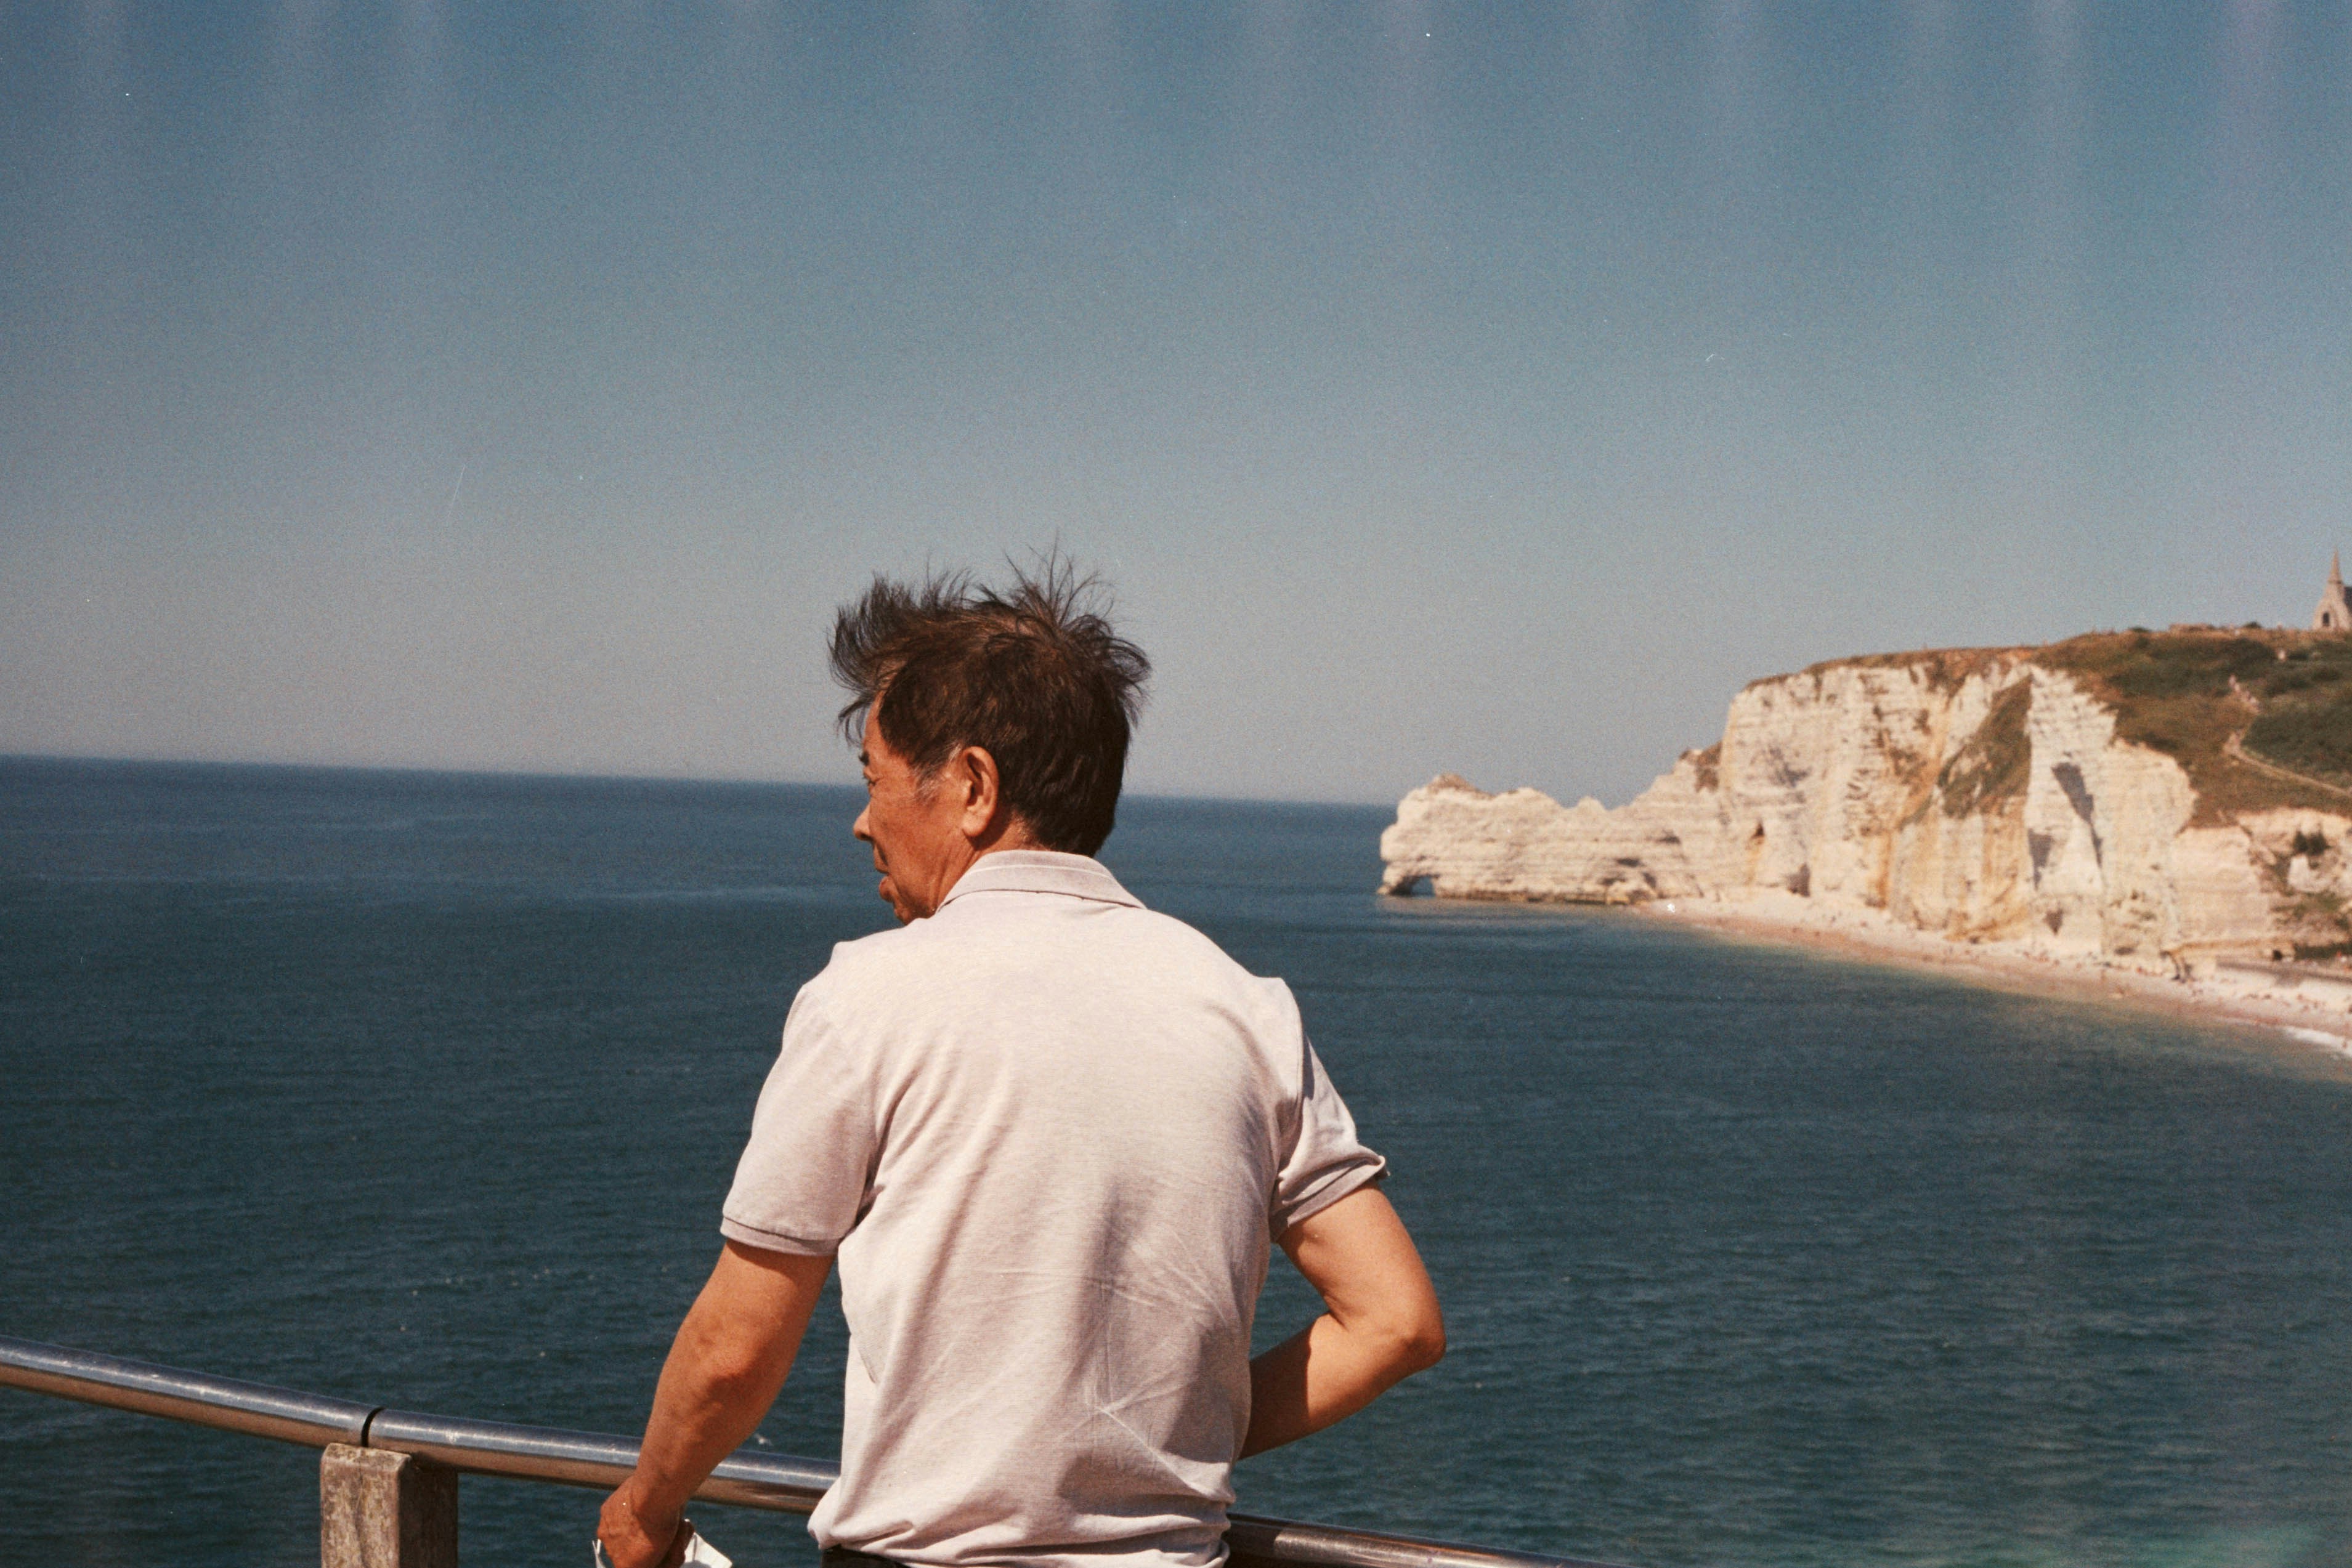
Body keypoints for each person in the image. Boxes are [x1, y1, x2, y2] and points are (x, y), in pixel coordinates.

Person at [597, 565, 1445, 1568]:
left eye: (872, 778)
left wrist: (644, 1513)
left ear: (971, 786)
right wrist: (1166, 1436)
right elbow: (1395, 1322)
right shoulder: (1244, 1007)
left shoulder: (865, 998)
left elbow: (736, 1349)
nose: (862, 821)